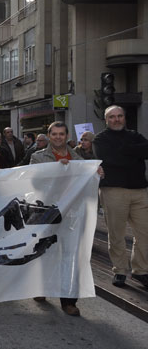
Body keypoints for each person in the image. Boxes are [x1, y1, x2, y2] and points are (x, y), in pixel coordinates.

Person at [30, 121, 85, 316]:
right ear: (49, 136)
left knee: (70, 255)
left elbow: (87, 178)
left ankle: (69, 300)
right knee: (45, 252)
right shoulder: (37, 157)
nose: (58, 137)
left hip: (72, 213)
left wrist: (97, 173)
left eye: (62, 134)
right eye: (54, 134)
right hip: (47, 212)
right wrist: (56, 168)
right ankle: (41, 287)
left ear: (67, 135)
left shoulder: (79, 158)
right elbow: (35, 181)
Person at [94, 106, 148, 289]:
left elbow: (146, 151)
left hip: (140, 191)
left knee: (144, 233)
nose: (116, 119)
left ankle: (141, 270)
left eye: (119, 116)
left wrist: (124, 150)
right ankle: (120, 271)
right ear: (106, 120)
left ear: (125, 118)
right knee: (116, 234)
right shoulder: (101, 139)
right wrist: (134, 153)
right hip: (113, 191)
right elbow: (110, 160)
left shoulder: (135, 135)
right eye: (112, 117)